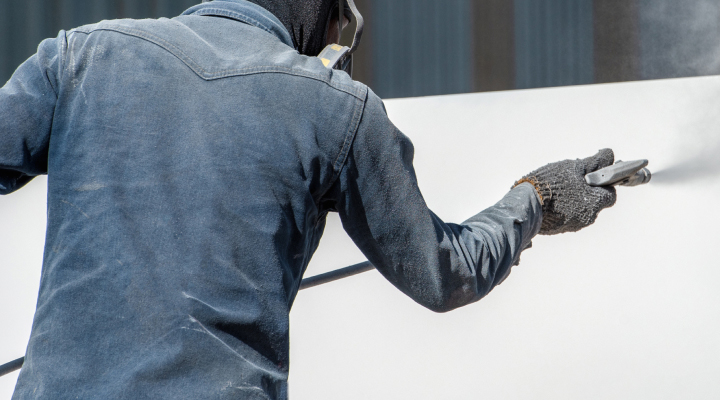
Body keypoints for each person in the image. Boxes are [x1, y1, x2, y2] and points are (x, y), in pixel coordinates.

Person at [0, 0, 618, 398]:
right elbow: (445, 274)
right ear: (325, 16)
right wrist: (537, 199)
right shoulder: (337, 108)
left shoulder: (82, 55)